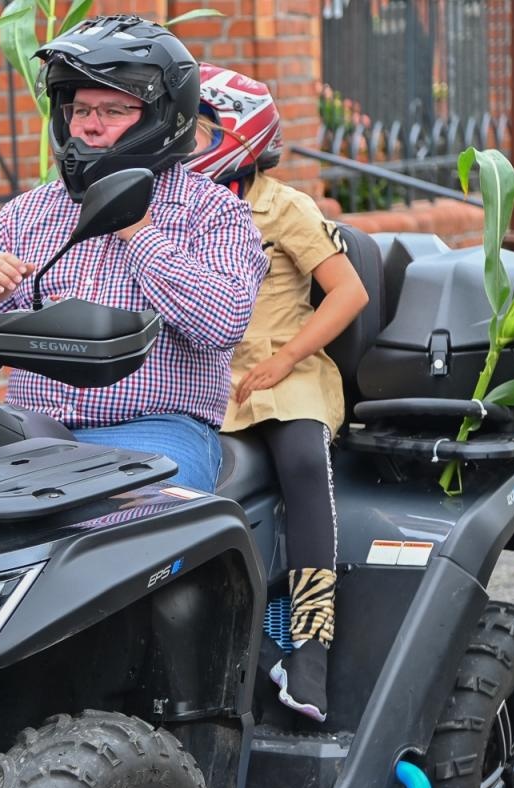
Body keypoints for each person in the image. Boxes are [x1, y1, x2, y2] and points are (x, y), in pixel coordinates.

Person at [0, 16, 268, 494]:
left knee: (139, 532)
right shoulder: (27, 212)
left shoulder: (211, 210)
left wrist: (138, 230)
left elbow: (224, 321)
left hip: (154, 431)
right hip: (30, 431)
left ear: (162, 116)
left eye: (112, 110)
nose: (89, 126)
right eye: (80, 109)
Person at [186, 64, 370, 723]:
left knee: (299, 464)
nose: (184, 142)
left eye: (198, 129)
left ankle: (312, 651)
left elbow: (349, 293)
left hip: (287, 376)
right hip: (213, 381)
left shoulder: (284, 207)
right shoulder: (176, 207)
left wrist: (287, 357)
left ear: (237, 134)